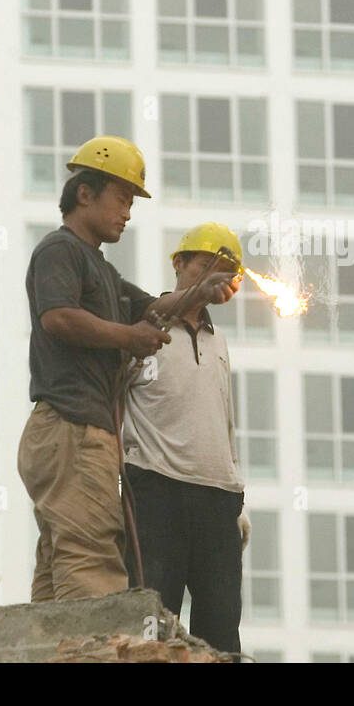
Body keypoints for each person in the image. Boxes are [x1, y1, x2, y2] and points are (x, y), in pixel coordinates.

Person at [19, 138, 237, 602]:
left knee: (61, 555)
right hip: (72, 426)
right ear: (85, 194)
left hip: (68, 430)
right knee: (93, 556)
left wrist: (201, 291)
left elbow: (157, 308)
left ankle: (51, 646)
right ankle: (90, 651)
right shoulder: (60, 251)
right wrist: (128, 337)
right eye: (122, 198)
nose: (128, 213)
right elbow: (58, 317)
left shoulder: (102, 271)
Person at [123, 222, 250, 656]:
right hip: (158, 492)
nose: (217, 279)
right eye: (206, 266)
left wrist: (237, 498)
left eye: (227, 272)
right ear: (178, 263)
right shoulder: (145, 328)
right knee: (153, 622)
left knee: (221, 629)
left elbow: (223, 419)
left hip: (217, 498)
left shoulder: (219, 342)